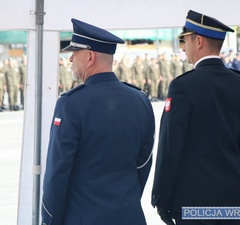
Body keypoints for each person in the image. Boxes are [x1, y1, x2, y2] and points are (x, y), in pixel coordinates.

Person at [42, 18, 155, 225]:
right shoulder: (140, 100)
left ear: (90, 56)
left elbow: (57, 173)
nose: (70, 60)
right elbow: (144, 163)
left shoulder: (71, 104)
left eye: (74, 54)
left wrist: (49, 220)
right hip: (130, 216)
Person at [151, 10, 240, 225]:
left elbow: (170, 149)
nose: (183, 48)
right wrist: (233, 181)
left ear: (198, 41)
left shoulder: (182, 86)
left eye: (185, 41)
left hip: (193, 202)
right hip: (232, 201)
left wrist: (161, 198)